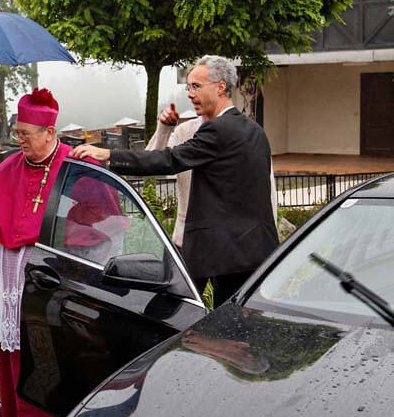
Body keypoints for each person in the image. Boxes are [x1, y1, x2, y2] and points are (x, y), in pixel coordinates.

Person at [0, 88, 108, 417]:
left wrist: (71, 229)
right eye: (18, 134)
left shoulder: (74, 165)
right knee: (23, 349)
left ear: (49, 133)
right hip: (16, 272)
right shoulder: (12, 165)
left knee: (54, 347)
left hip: (56, 274)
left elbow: (104, 218)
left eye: (26, 134)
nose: (20, 141)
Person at [72, 55, 279, 308]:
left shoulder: (217, 129)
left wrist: (108, 155)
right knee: (234, 323)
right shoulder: (255, 131)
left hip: (218, 251)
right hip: (254, 251)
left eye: (196, 86)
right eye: (188, 87)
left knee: (172, 314)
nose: (190, 94)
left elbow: (169, 159)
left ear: (221, 87)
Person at [147, 103, 278, 250]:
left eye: (197, 89)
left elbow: (268, 191)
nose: (192, 95)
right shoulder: (184, 131)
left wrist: (268, 241)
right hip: (186, 241)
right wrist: (164, 129)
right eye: (189, 90)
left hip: (231, 245)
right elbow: (151, 163)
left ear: (220, 90)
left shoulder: (248, 133)